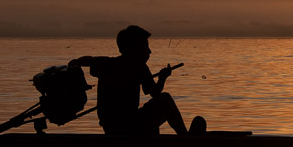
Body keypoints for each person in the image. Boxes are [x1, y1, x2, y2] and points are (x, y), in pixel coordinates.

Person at [68, 25, 206, 136]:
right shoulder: (140, 67)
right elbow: (156, 93)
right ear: (135, 48)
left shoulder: (109, 63)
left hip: (111, 129)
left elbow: (89, 60)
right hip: (130, 127)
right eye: (146, 47)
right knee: (165, 99)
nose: (149, 51)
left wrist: (75, 62)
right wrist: (163, 79)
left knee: (151, 119)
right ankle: (185, 139)